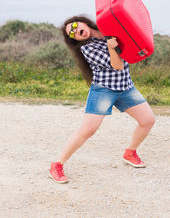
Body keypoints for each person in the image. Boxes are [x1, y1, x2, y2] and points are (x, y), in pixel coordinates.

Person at [49, 15, 155, 184]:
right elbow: (118, 65)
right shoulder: (88, 49)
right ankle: (57, 165)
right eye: (72, 33)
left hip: (125, 87)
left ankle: (130, 153)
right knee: (87, 131)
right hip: (103, 91)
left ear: (83, 21)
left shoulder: (107, 31)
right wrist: (112, 48)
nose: (76, 31)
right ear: (74, 39)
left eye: (75, 26)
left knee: (148, 120)